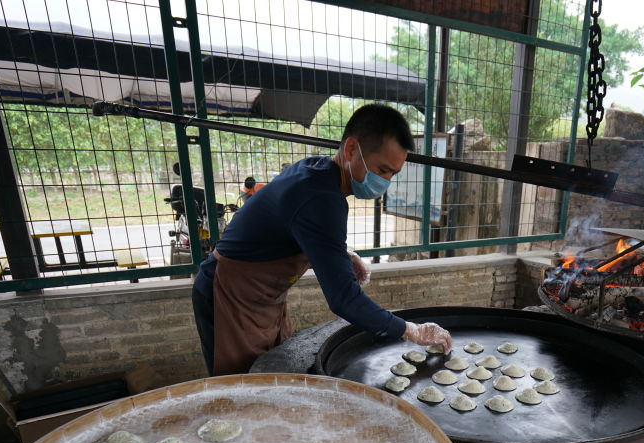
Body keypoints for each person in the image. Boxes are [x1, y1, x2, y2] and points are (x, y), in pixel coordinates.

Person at [192, 103, 453, 375]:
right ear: (351, 149)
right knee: (244, 385)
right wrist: (410, 330)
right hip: (230, 295)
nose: (385, 181)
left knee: (269, 373)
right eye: (383, 169)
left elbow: (291, 227)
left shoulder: (317, 171)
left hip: (260, 297)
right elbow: (343, 299)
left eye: (392, 174)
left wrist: (342, 255)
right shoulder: (322, 198)